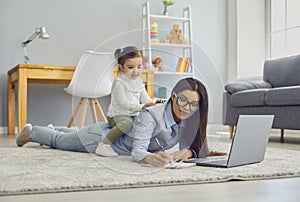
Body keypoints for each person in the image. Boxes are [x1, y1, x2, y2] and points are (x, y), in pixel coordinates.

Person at [16, 78, 212, 167]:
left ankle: (57, 130)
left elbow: (198, 148)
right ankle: (32, 132)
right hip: (101, 138)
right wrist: (152, 159)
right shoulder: (151, 115)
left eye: (194, 104)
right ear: (174, 96)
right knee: (60, 142)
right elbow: (138, 152)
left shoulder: (188, 118)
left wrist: (188, 152)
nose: (187, 107)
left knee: (70, 134)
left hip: (108, 131)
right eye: (183, 100)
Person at [96, 46, 162, 157]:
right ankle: (104, 145)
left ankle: (143, 147)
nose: (136, 71)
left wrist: (155, 103)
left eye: (139, 67)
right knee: (127, 123)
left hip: (133, 115)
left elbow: (146, 99)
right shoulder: (119, 82)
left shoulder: (139, 82)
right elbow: (123, 103)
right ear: (121, 67)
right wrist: (141, 107)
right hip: (118, 115)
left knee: (147, 123)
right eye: (131, 67)